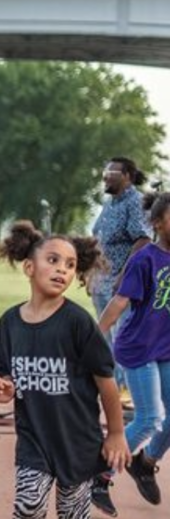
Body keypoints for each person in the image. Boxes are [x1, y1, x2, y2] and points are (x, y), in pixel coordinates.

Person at [0, 221, 130, 519]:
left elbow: (106, 381)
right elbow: (7, 381)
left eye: (69, 265)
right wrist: (4, 389)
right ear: (29, 266)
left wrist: (115, 433)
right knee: (28, 506)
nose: (62, 270)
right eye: (53, 260)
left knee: (72, 517)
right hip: (34, 438)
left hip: (77, 442)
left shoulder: (78, 323)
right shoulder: (9, 324)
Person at [91, 191, 170, 518]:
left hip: (166, 350)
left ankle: (145, 462)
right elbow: (120, 302)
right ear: (156, 223)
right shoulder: (145, 259)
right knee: (151, 417)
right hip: (138, 349)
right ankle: (100, 475)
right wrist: (93, 340)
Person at [91, 156, 150, 409]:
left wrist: (125, 276)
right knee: (105, 339)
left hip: (121, 283)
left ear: (127, 175)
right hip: (102, 281)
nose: (105, 176)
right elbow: (100, 238)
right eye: (104, 172)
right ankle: (111, 390)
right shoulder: (110, 203)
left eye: (112, 172)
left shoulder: (135, 202)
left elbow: (142, 240)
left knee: (122, 336)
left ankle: (129, 392)